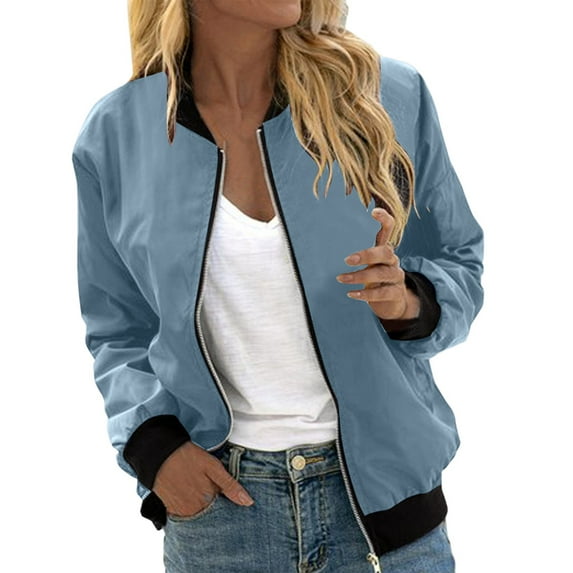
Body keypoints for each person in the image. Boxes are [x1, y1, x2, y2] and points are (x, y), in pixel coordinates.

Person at [72, 1, 484, 571]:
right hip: (221, 516)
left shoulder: (383, 95)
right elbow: (117, 324)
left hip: (386, 516)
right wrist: (156, 451)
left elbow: (457, 257)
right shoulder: (117, 133)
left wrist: (409, 301)